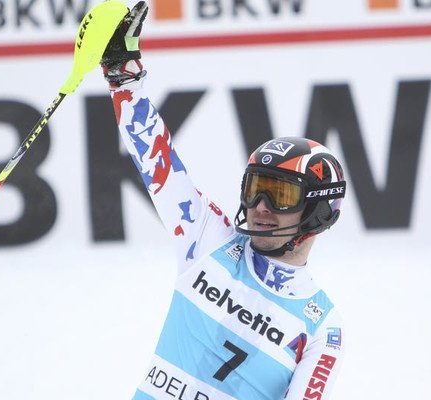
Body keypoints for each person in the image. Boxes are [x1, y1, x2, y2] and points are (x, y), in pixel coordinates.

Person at [98, 2, 347, 399]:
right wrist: (123, 78)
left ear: (317, 213)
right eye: (255, 189)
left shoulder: (322, 326)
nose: (260, 206)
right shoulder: (208, 239)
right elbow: (159, 163)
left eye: (281, 196)